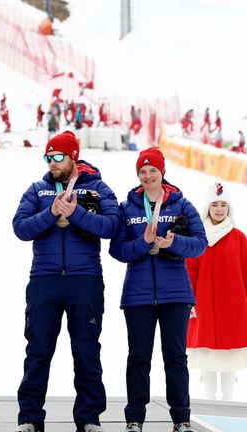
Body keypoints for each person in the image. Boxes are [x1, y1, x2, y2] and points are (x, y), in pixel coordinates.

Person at [12, 131, 121, 432]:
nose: (52, 163)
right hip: (44, 280)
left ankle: (89, 418)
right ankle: (30, 418)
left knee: (86, 350)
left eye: (58, 157)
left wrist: (76, 214)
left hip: (84, 280)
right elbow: (20, 227)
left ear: (73, 156)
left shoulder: (97, 189)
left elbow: (112, 225)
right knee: (37, 351)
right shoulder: (38, 190)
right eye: (48, 157)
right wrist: (51, 213)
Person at [109, 148, 207, 432]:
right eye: (142, 171)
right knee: (138, 357)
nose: (148, 176)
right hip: (137, 295)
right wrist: (144, 243)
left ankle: (181, 419)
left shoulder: (181, 205)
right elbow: (117, 249)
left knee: (175, 357)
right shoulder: (127, 208)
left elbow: (200, 244)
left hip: (175, 294)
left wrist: (171, 244)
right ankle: (134, 419)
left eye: (152, 170)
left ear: (162, 173)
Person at [186, 183, 247, 400]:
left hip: (233, 311)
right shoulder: (198, 238)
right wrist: (189, 300)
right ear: (207, 208)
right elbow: (190, 271)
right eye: (214, 205)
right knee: (208, 364)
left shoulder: (239, 238)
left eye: (223, 205)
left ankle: (229, 406)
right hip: (203, 309)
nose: (219, 209)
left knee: (230, 366)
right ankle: (209, 403)